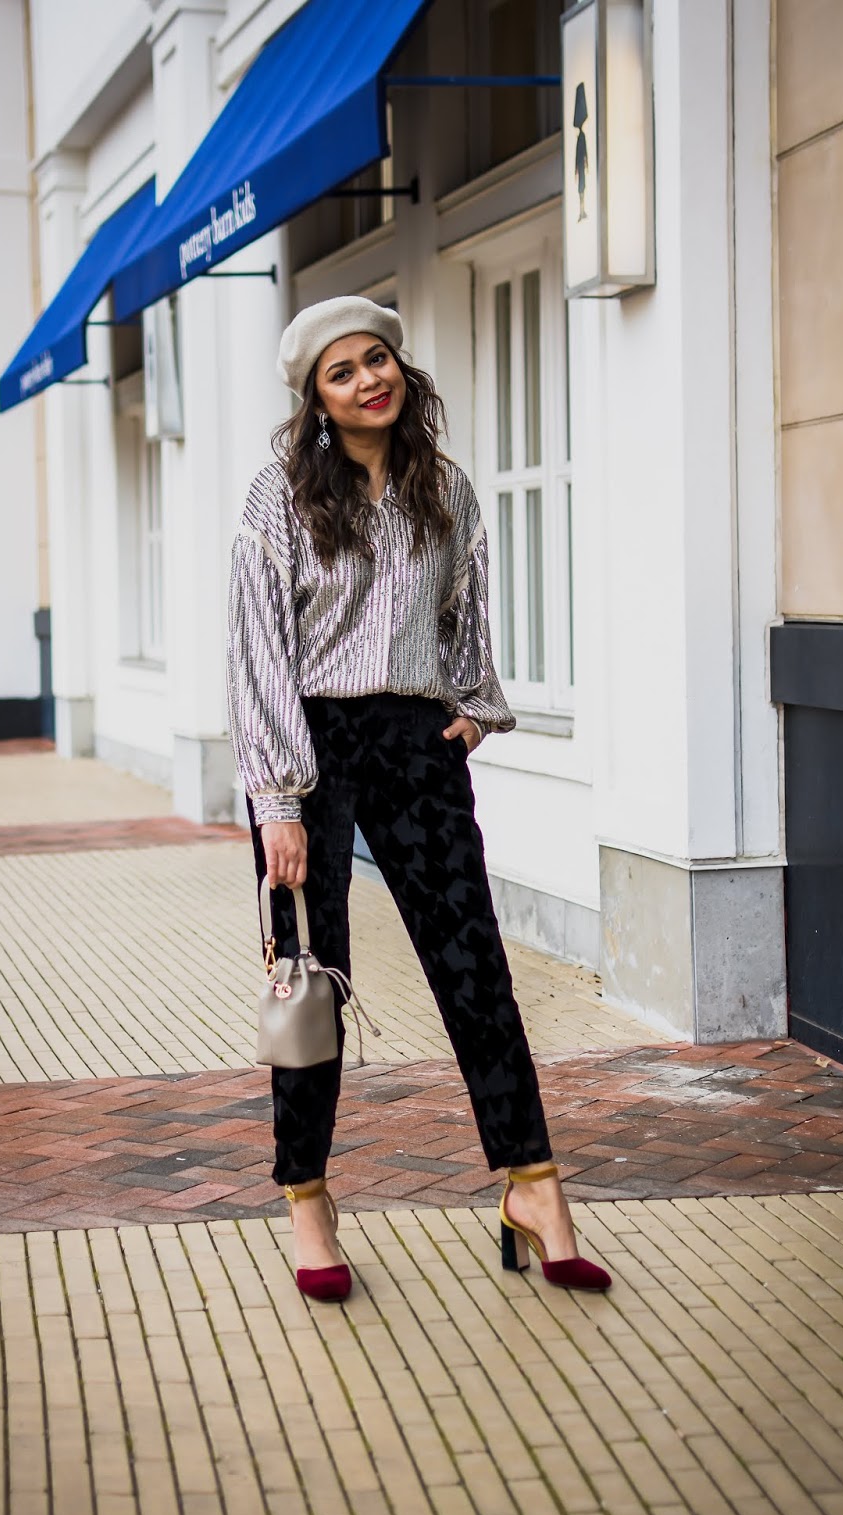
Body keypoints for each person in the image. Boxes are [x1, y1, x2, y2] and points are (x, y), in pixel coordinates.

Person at [227, 295, 610, 1303]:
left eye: (377, 359)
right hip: (309, 749)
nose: (368, 379)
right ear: (316, 399)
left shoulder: (443, 488)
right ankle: (307, 1199)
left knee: (474, 966)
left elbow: (466, 604)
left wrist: (473, 707)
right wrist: (276, 801)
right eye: (342, 371)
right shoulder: (277, 496)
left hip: (414, 741)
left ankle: (533, 1186)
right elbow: (257, 649)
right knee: (310, 979)